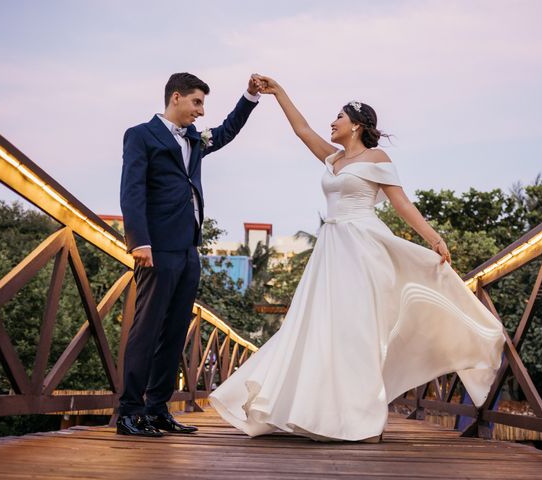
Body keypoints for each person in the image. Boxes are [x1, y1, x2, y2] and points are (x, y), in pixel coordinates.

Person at [209, 75, 506, 443]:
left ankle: (360, 416)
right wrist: (278, 93)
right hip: (331, 250)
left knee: (355, 331)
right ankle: (313, 411)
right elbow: (302, 130)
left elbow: (402, 204)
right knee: (319, 327)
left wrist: (433, 238)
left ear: (357, 125)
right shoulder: (333, 157)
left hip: (363, 247)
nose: (331, 123)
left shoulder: (377, 158)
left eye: (338, 117)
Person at [117, 72, 262, 436]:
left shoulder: (195, 139)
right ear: (176, 97)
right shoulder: (140, 135)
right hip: (156, 246)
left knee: (176, 330)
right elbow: (131, 190)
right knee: (146, 329)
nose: (200, 111)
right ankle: (129, 411)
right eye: (197, 102)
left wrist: (249, 96)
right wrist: (139, 241)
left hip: (188, 248)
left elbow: (226, 131)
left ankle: (157, 409)